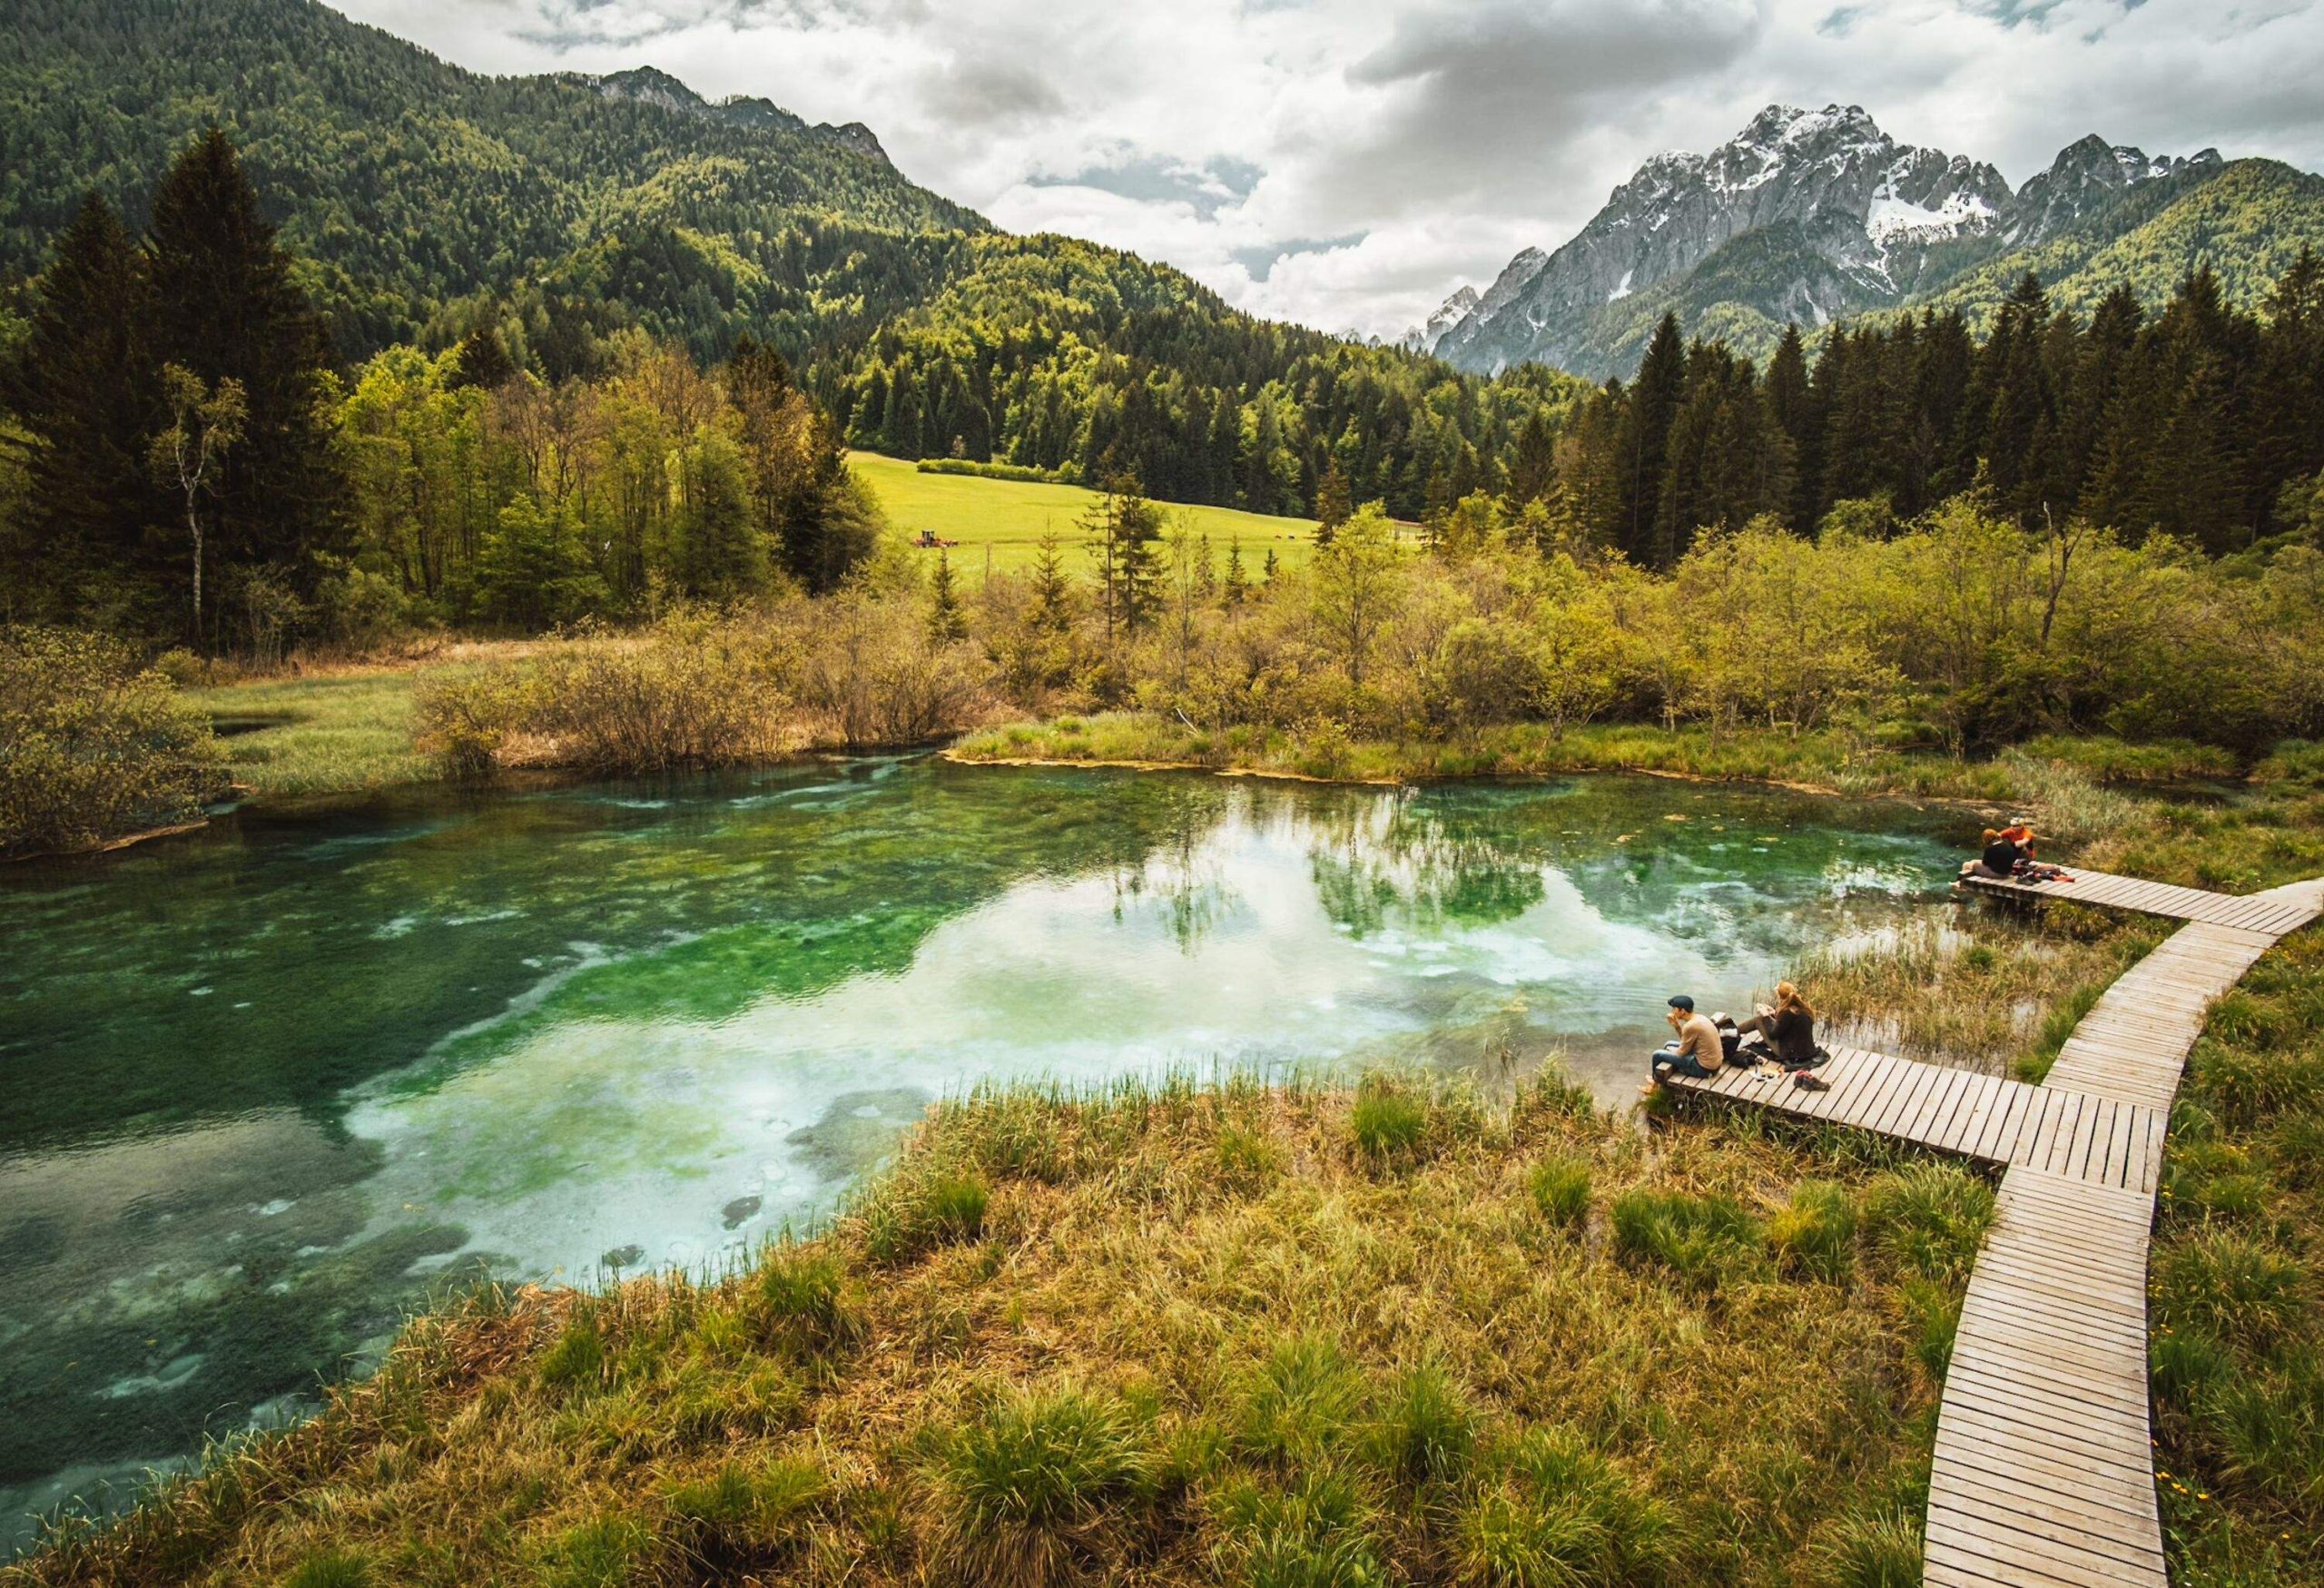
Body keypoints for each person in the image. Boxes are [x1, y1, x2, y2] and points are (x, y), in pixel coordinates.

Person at [1643, 993, 1725, 1094]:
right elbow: (1686, 1041)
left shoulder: (1690, 1026)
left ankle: (1654, 1085)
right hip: (1715, 1065)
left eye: (1674, 1009)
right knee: (1668, 1044)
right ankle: (1656, 1079)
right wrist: (1677, 1026)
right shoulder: (1699, 1018)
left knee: (1657, 1054)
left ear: (1682, 1011)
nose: (1672, 1011)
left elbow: (1681, 1053)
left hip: (1704, 1069)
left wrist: (1671, 1052)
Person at [1736, 981, 1819, 1068]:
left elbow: (1773, 1035)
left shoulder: (1788, 1012)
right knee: (1761, 1019)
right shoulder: (1802, 1008)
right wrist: (1774, 1013)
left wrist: (1766, 1016)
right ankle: (1734, 1031)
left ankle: (1733, 1031)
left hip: (1789, 1054)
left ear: (1780, 996)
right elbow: (1787, 1026)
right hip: (1805, 1051)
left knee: (1759, 1020)